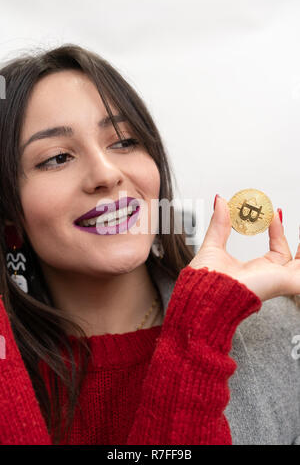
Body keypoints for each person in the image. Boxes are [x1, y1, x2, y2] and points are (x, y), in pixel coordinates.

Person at [0, 44, 299, 446]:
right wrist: (197, 336)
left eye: (123, 141)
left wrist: (204, 324)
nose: (106, 173)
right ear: (8, 213)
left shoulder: (281, 337)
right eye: (56, 158)